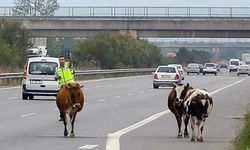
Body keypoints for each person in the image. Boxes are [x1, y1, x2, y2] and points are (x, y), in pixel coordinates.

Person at [55, 54, 75, 121]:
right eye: (60, 60)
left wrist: (70, 57)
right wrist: (57, 77)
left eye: (62, 59)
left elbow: (71, 63)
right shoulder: (57, 69)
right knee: (59, 100)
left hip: (70, 84)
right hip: (62, 86)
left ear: (64, 60)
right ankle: (62, 116)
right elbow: (55, 77)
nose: (61, 61)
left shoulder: (68, 66)